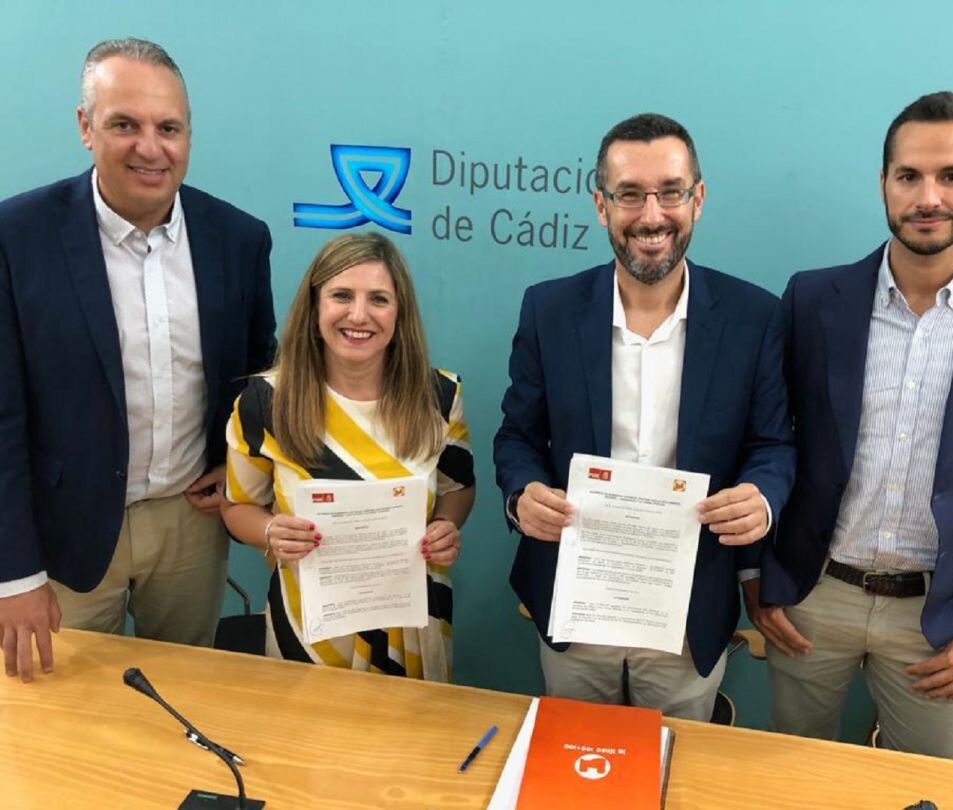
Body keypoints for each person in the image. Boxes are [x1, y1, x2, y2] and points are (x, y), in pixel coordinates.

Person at [753, 91, 953, 759]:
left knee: (926, 793)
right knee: (789, 781)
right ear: (884, 183)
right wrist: (756, 579)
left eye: (951, 176)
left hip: (945, 616)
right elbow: (765, 443)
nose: (928, 196)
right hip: (814, 597)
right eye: (909, 176)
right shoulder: (813, 299)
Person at [493, 113, 795, 721]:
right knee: (578, 767)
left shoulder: (753, 316)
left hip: (687, 608)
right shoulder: (549, 310)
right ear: (601, 205)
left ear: (698, 200)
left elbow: (774, 444)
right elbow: (517, 436)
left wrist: (761, 497)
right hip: (575, 604)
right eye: (630, 194)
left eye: (670, 192)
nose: (651, 215)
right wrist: (521, 493)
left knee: (675, 768)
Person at [0, 38, 276, 682]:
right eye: (125, 124)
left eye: (168, 128)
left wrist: (232, 465)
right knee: (60, 717)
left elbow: (255, 373)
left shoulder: (239, 239)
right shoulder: (17, 238)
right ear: (85, 127)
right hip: (62, 535)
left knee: (183, 704)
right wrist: (14, 574)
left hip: (188, 526)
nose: (150, 147)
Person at [221, 233, 474, 679]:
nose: (359, 315)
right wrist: (269, 530)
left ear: (400, 312)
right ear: (315, 305)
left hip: (413, 624)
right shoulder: (266, 401)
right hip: (310, 630)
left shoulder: (440, 396)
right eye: (341, 295)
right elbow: (236, 506)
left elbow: (459, 490)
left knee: (415, 743)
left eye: (379, 299)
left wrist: (446, 527)